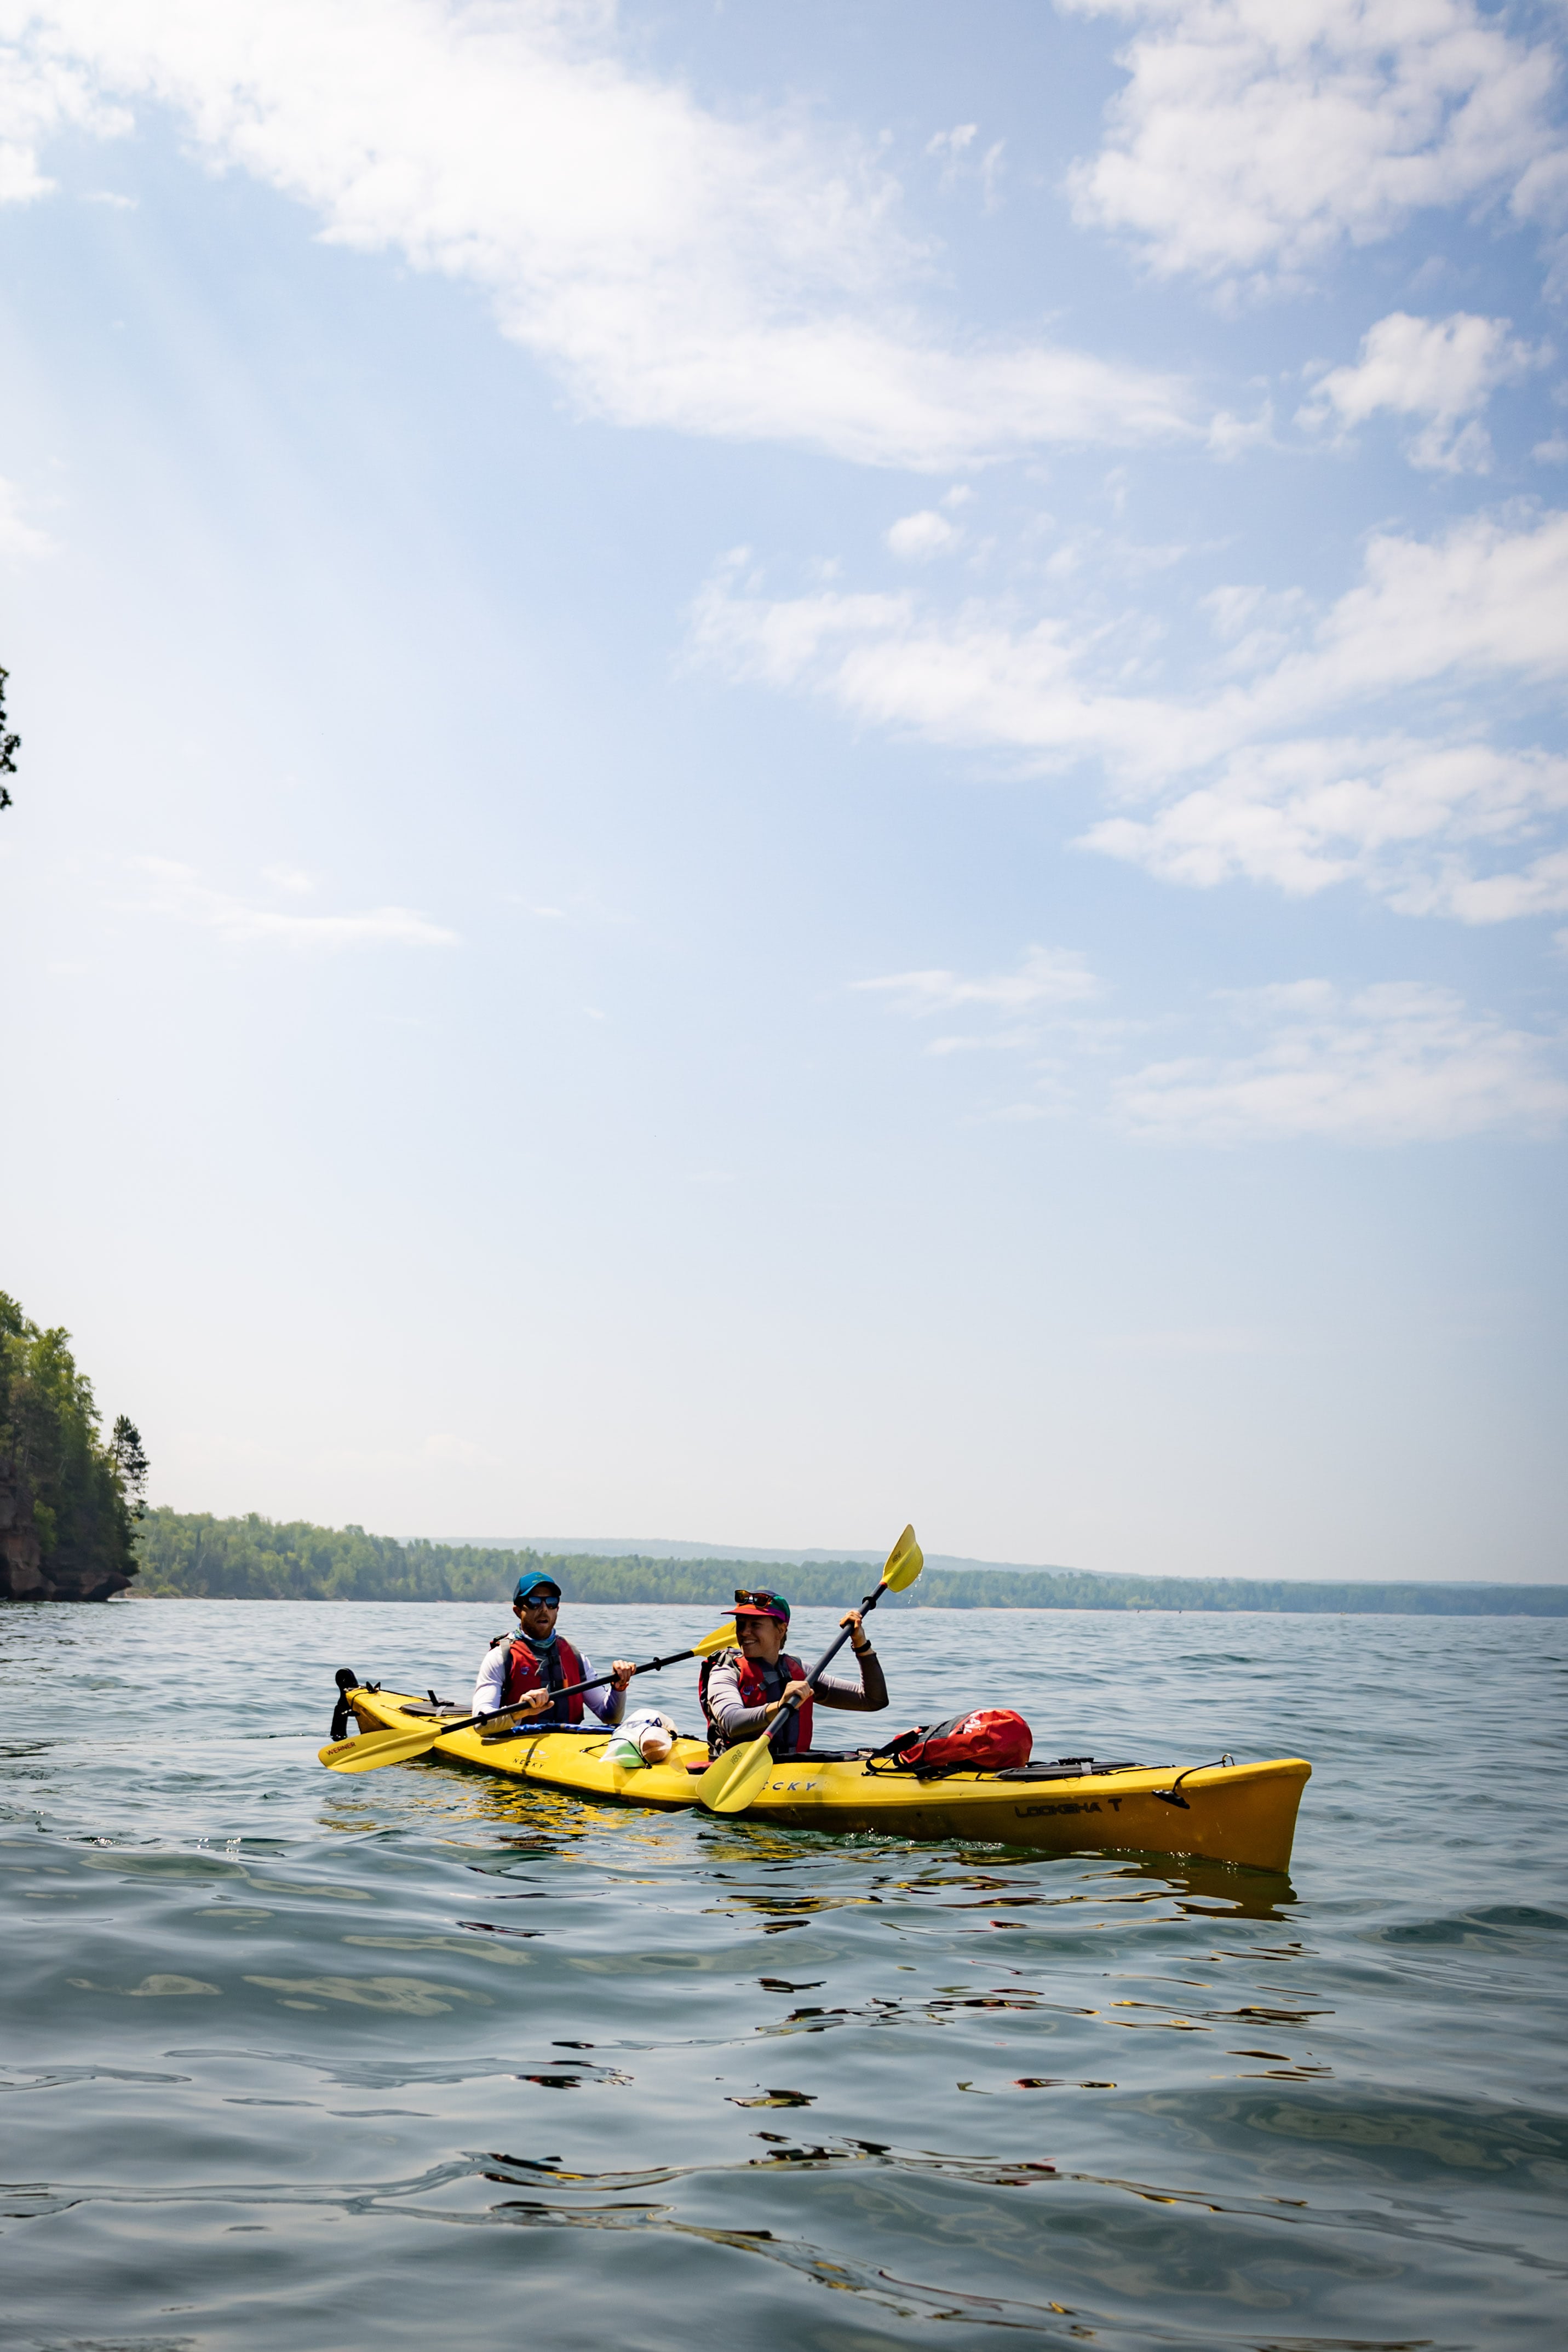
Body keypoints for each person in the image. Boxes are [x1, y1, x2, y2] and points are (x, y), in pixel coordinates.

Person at [698, 1586, 887, 1759]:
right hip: (738, 1768)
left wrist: (861, 1644)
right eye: (741, 1624)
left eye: (755, 1625)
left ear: (781, 1630)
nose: (744, 1632)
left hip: (794, 1768)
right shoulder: (726, 1671)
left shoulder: (799, 1671)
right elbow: (732, 1723)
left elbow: (872, 1700)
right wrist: (780, 1706)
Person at [472, 1570, 635, 1729]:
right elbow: (480, 1722)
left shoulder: (575, 1656)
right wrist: (518, 1712)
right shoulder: (500, 1657)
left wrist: (618, 1687)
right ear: (518, 1611)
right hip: (517, 1744)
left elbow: (610, 1717)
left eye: (551, 1602)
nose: (544, 1609)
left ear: (557, 1609)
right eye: (534, 1602)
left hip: (566, 1747)